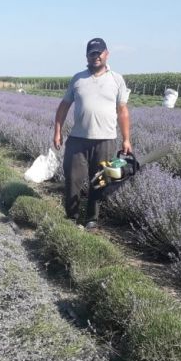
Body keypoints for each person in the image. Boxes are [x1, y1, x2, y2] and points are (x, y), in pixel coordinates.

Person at [53, 37, 131, 229]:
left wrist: (127, 139)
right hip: (78, 139)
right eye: (91, 53)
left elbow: (122, 111)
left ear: (106, 54)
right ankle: (71, 217)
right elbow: (63, 107)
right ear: (87, 56)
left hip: (105, 140)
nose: (95, 57)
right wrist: (57, 131)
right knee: (73, 179)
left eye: (99, 53)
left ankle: (91, 219)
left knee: (100, 181)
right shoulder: (78, 78)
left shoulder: (117, 79)